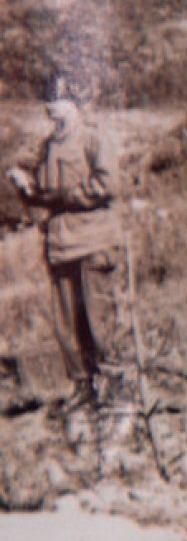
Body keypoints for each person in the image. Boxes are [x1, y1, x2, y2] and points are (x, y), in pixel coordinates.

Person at [9, 77, 123, 410]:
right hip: (59, 246)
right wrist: (24, 187)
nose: (50, 105)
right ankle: (83, 388)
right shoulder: (47, 146)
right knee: (67, 326)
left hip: (93, 241)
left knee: (100, 321)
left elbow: (107, 185)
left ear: (74, 102)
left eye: (57, 98)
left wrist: (60, 196)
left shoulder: (93, 137)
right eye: (47, 98)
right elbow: (41, 197)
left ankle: (118, 389)